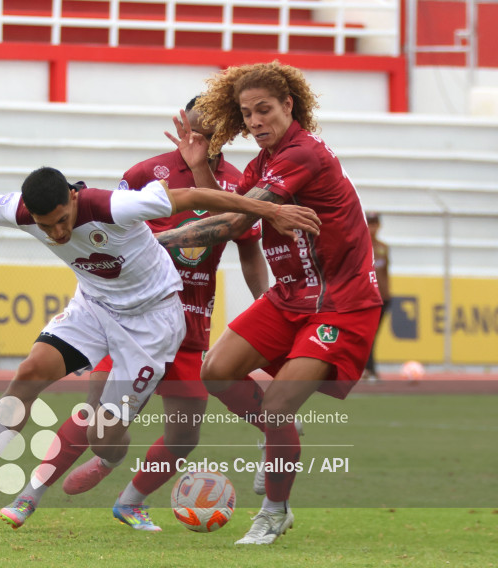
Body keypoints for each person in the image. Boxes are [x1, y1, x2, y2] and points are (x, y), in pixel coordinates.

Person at [0, 165, 320, 513]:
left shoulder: (115, 206)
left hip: (152, 322)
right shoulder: (21, 211)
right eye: (44, 224)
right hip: (93, 307)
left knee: (104, 435)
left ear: (73, 198)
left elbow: (194, 194)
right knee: (30, 370)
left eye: (61, 221)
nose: (55, 232)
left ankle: (111, 457)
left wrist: (268, 209)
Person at [0, 97, 274, 532]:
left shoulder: (237, 184)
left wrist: (266, 309)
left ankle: (131, 501)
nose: (200, 138)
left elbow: (248, 250)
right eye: (194, 129)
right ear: (182, 124)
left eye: (210, 132)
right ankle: (30, 495)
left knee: (184, 435)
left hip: (190, 318)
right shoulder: (146, 174)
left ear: (226, 134)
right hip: (127, 316)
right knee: (96, 414)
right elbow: (102, 236)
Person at [155, 61, 383, 545]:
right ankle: (279, 432)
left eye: (264, 110)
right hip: (290, 296)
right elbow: (239, 213)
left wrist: (159, 241)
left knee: (276, 405)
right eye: (246, 114)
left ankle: (274, 512)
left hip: (340, 303)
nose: (256, 121)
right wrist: (199, 165)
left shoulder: (302, 154)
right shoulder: (262, 165)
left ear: (289, 106)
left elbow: (237, 227)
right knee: (216, 370)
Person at [362, 211, 391, 381]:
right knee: (367, 334)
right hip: (366, 298)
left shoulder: (383, 248)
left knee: (372, 335)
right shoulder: (360, 246)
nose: (372, 228)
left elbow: (386, 273)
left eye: (374, 224)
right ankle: (370, 370)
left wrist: (388, 293)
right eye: (369, 223)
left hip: (383, 298)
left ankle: (369, 370)